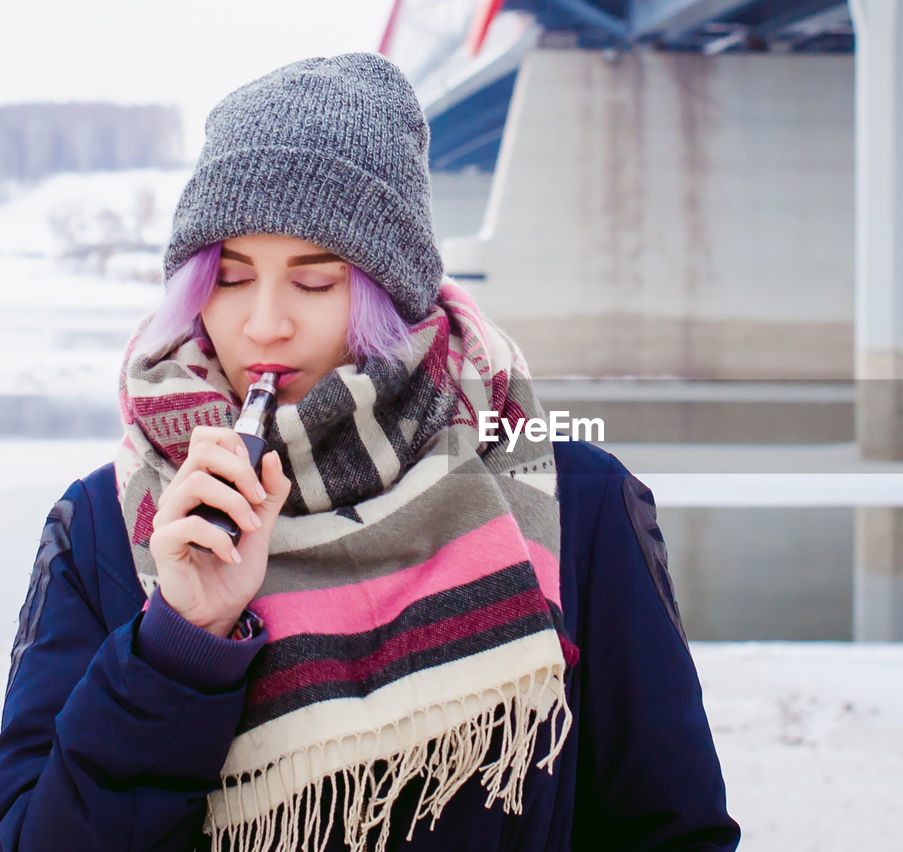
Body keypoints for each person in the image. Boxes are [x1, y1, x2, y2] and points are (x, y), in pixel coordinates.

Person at [0, 52, 739, 851]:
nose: (264, 324)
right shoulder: (107, 525)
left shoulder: (575, 504)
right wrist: (178, 643)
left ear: (394, 295)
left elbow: (670, 830)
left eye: (316, 283)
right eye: (231, 278)